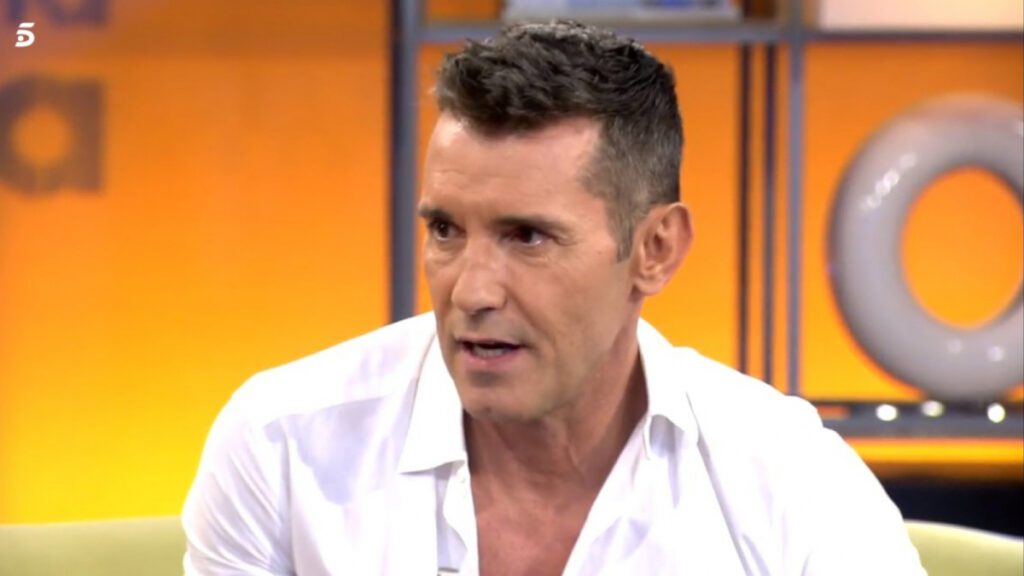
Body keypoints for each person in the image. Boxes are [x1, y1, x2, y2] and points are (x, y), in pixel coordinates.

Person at [183, 20, 924, 575]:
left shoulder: (789, 480)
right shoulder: (285, 447)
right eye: (445, 230)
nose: (471, 290)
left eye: (528, 237)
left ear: (655, 249)